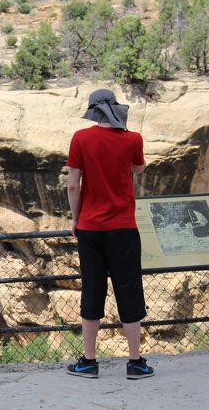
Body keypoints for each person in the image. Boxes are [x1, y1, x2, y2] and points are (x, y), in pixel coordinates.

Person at [65, 89, 153, 379]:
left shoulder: (81, 138)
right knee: (128, 289)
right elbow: (139, 169)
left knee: (93, 289)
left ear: (92, 111)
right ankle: (135, 362)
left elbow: (73, 185)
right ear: (115, 109)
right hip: (124, 228)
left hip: (90, 228)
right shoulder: (132, 139)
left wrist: (76, 219)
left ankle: (89, 361)